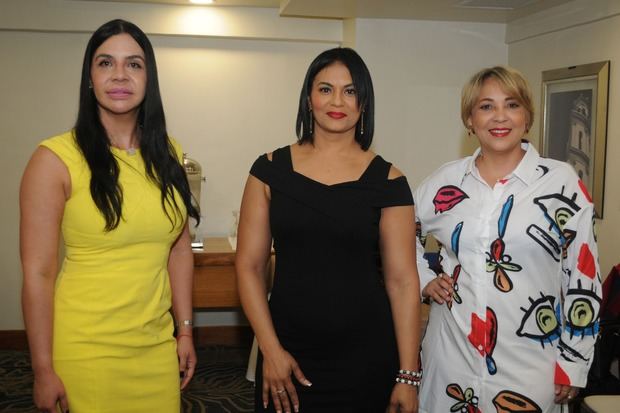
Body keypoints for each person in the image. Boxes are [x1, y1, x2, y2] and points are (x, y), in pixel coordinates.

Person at [20, 19, 200, 413]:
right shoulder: (54, 160)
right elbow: (38, 274)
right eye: (106, 63)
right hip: (85, 351)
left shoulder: (168, 151)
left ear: (149, 78)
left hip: (155, 348)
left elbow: (179, 249)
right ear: (89, 77)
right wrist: (42, 368)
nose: (120, 75)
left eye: (134, 64)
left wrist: (184, 331)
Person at [235, 47, 421, 413]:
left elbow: (402, 283)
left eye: (350, 91)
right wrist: (271, 351)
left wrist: (407, 376)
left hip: (367, 358)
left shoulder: (390, 182)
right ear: (308, 98)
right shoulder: (268, 171)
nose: (338, 101)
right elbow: (249, 268)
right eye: (325, 89)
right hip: (285, 352)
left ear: (364, 103)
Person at [414, 66, 601, 413]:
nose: (500, 116)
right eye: (486, 106)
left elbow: (584, 277)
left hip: (531, 369)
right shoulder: (446, 182)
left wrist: (575, 361)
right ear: (469, 120)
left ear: (527, 115)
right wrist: (424, 280)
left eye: (511, 104)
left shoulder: (561, 183)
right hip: (451, 367)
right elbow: (397, 232)